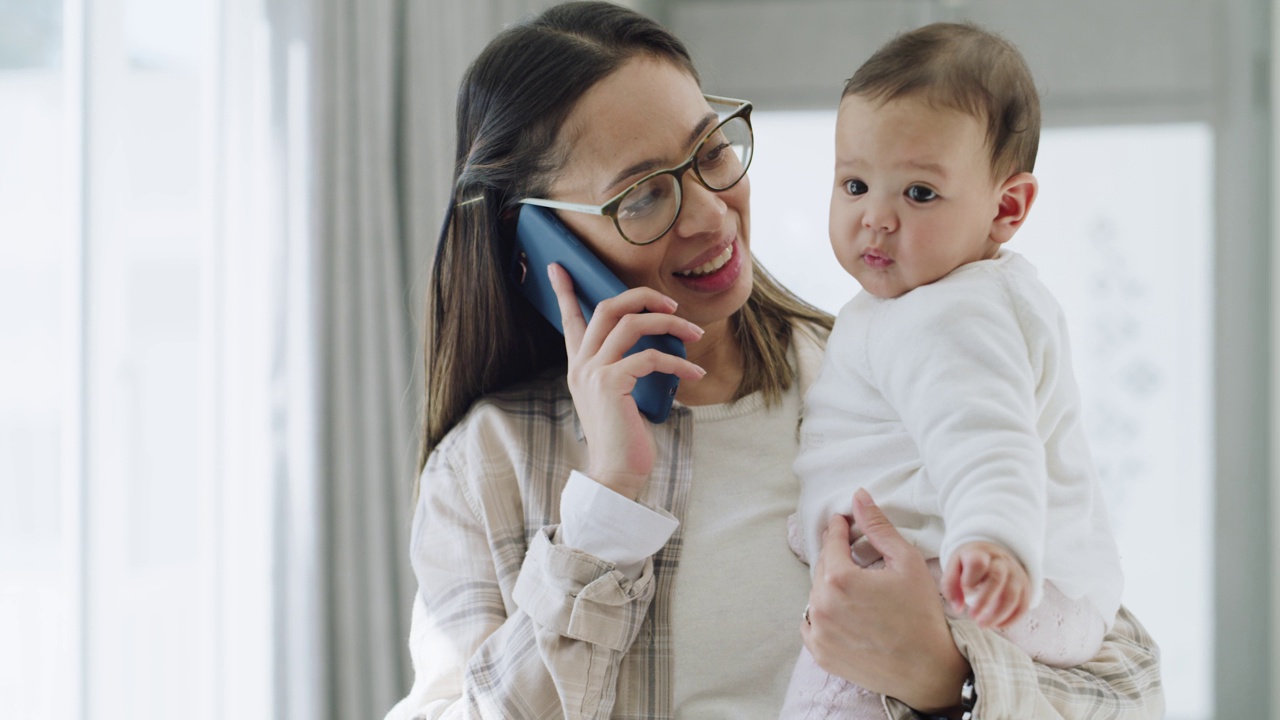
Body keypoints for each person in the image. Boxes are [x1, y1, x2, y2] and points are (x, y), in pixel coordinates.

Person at [385, 3, 1163, 719]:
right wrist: (604, 509)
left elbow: (1132, 694)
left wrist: (944, 677)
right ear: (538, 249)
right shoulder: (487, 464)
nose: (710, 211)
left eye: (711, 152)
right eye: (644, 197)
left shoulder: (877, 383)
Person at [782, 21, 1127, 718]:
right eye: (855, 184)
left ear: (1006, 208)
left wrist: (992, 542)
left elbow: (988, 439)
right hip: (1035, 583)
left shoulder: (944, 317)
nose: (875, 218)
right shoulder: (962, 299)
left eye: (918, 194)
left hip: (978, 573)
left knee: (824, 691)